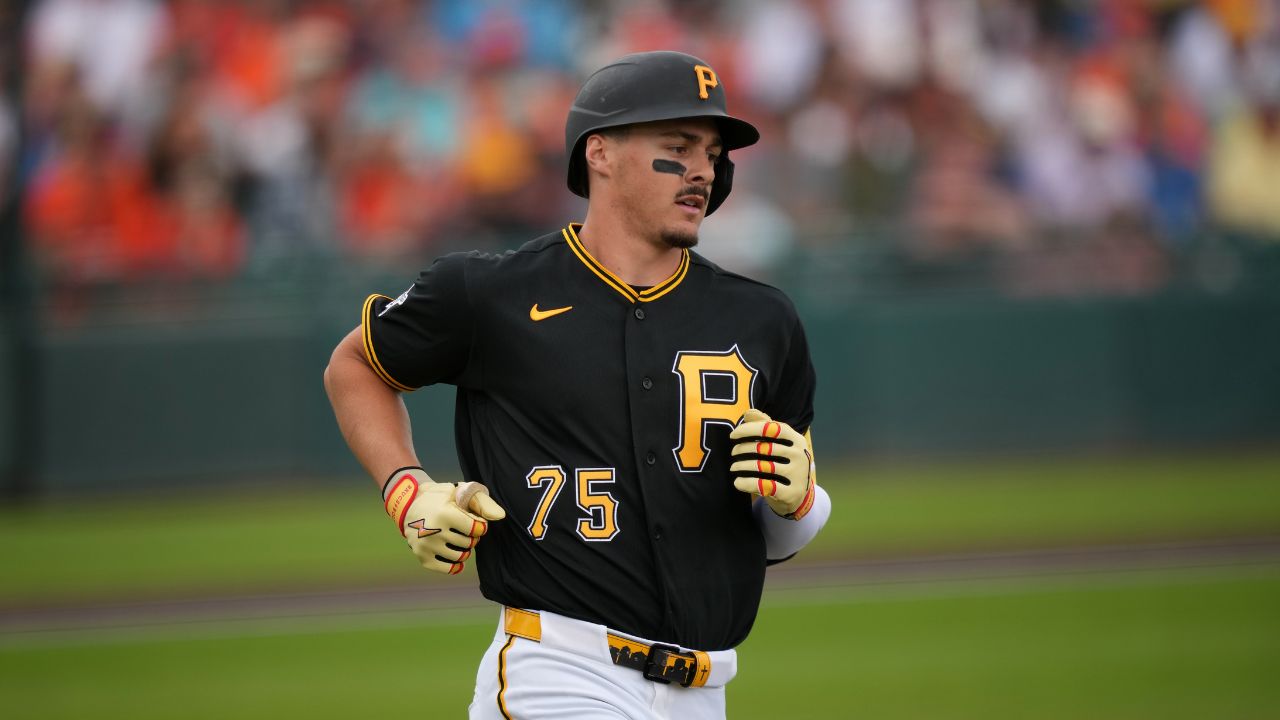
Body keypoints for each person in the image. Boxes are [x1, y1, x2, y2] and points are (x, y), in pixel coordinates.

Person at [324, 50, 831, 720]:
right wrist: (406, 488)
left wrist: (798, 503)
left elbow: (773, 540)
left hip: (705, 692)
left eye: (712, 153)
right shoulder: (492, 292)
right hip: (559, 671)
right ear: (601, 152)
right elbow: (355, 365)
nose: (704, 170)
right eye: (678, 147)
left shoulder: (762, 319)